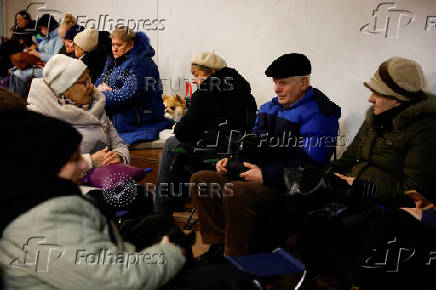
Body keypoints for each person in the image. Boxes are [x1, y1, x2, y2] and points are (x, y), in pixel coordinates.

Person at [0, 110, 185, 289]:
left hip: (95, 200)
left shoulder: (42, 203)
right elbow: (117, 280)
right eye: (74, 159)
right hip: (93, 195)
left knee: (156, 219)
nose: (83, 164)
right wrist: (168, 253)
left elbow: (119, 143)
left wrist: (118, 156)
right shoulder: (43, 222)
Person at [294, 56, 436, 286]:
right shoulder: (374, 118)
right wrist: (327, 176)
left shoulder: (425, 131)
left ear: (398, 99)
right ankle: (309, 274)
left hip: (380, 203)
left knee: (338, 225)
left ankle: (336, 279)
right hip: (350, 192)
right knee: (299, 205)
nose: (370, 98)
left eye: (378, 93)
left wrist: (359, 186)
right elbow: (347, 158)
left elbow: (413, 190)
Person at [190, 53, 341, 260]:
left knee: (235, 191)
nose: (277, 88)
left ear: (304, 82)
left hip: (288, 185)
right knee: (202, 180)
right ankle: (217, 245)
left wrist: (266, 175)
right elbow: (251, 144)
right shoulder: (270, 107)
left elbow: (310, 165)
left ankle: (236, 257)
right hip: (260, 174)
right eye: (275, 83)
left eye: (284, 83)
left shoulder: (320, 114)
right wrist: (232, 162)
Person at [153, 51, 258, 216]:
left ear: (212, 73)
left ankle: (162, 211)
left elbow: (183, 131)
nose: (194, 80)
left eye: (197, 75)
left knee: (171, 144)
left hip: (213, 152)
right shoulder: (245, 92)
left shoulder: (206, 92)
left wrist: (180, 125)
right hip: (237, 152)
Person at [27, 54, 129, 168]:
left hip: (105, 179)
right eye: (84, 82)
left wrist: (119, 156)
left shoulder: (96, 106)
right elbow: (41, 164)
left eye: (89, 79)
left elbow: (119, 144)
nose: (91, 85)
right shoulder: (38, 118)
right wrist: (89, 162)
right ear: (64, 89)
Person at [95, 26, 167, 143]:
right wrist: (99, 89)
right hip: (118, 122)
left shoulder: (141, 63)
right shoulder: (112, 62)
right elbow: (95, 86)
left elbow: (128, 95)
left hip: (138, 123)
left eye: (119, 45)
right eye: (113, 45)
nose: (115, 49)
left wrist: (100, 94)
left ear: (131, 45)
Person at [9, 14, 62, 98]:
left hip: (50, 69)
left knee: (19, 74)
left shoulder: (59, 39)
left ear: (48, 27)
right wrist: (31, 50)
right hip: (41, 65)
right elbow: (39, 48)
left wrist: (38, 54)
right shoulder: (47, 38)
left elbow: (56, 58)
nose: (41, 31)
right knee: (14, 72)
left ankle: (17, 103)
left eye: (42, 28)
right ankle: (13, 100)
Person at [0, 10, 37, 76]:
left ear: (27, 20)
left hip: (25, 49)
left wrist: (25, 42)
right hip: (16, 48)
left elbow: (37, 41)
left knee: (5, 50)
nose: (18, 22)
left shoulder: (33, 28)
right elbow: (14, 41)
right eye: (17, 20)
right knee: (3, 46)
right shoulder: (17, 29)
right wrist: (7, 41)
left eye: (20, 20)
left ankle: (4, 74)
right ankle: (3, 74)